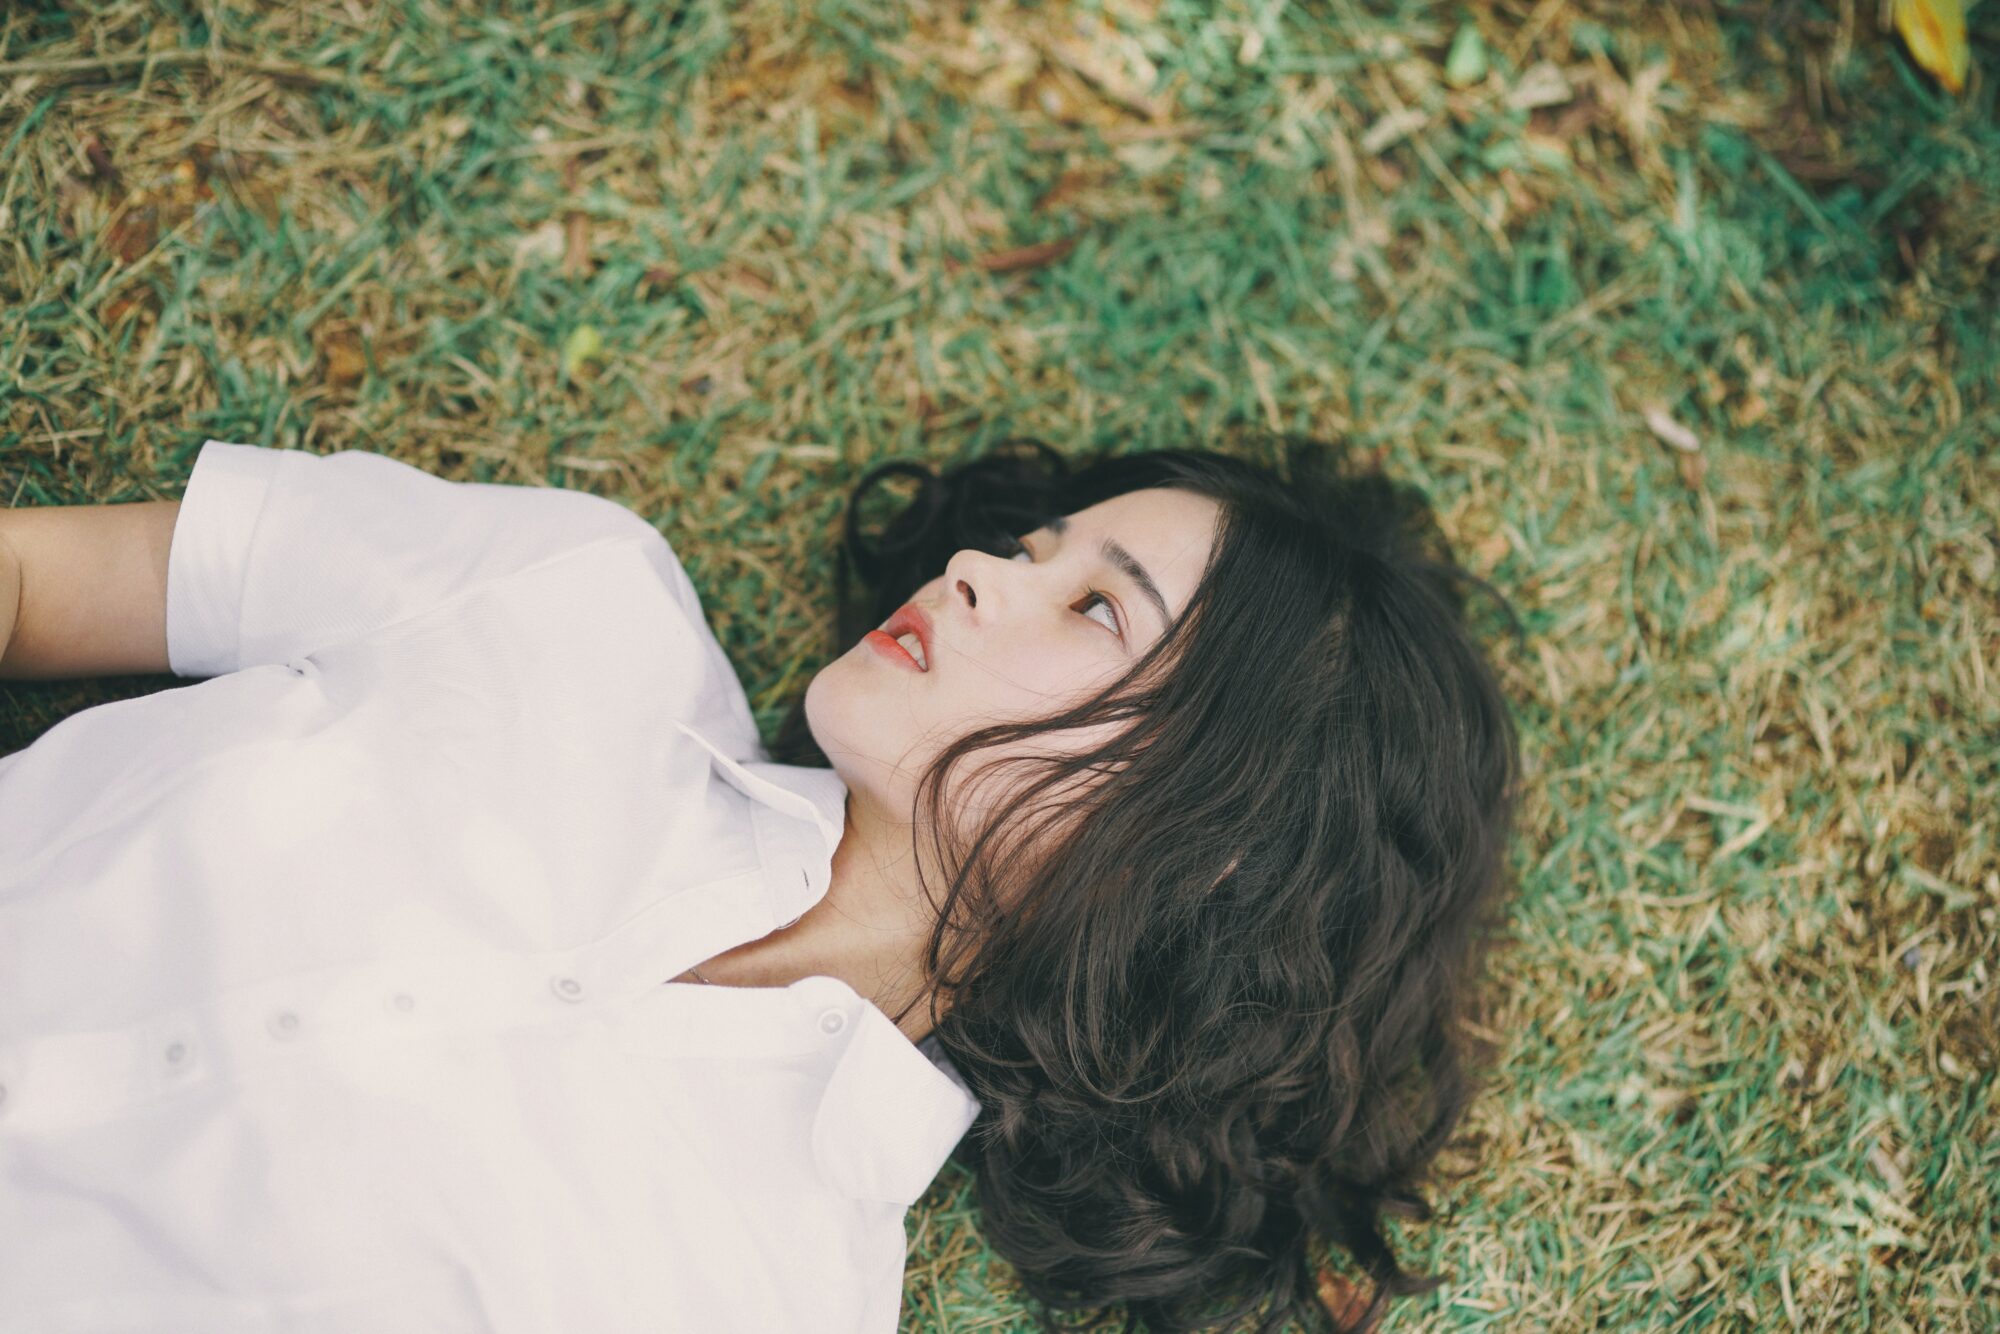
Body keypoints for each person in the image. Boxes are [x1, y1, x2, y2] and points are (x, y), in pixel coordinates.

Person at [0, 432, 1521, 1334]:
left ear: (1214, 836)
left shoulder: (767, 1293)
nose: (980, 570)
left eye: (1095, 609)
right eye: (1036, 543)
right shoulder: (568, 602)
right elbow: (33, 583)